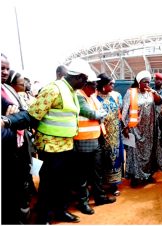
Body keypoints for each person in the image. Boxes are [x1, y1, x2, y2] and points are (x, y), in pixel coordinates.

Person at [28, 58, 95, 224]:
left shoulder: (71, 91)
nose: (86, 83)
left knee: (63, 183)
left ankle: (60, 211)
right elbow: (33, 115)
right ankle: (43, 217)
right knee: (49, 183)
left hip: (67, 144)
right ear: (79, 77)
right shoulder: (53, 89)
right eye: (85, 80)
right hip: (50, 146)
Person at [1, 54, 32, 224]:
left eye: (7, 68)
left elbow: (26, 115)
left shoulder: (7, 90)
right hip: (5, 153)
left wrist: (7, 121)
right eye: (1, 68)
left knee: (17, 191)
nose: (5, 72)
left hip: (16, 151)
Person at [122, 70, 162, 187]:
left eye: (148, 82)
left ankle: (147, 175)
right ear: (138, 82)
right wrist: (125, 127)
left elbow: (160, 102)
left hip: (150, 129)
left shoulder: (151, 93)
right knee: (135, 153)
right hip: (135, 129)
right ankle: (136, 177)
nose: (147, 84)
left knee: (150, 152)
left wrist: (155, 93)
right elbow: (125, 110)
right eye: (144, 82)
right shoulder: (130, 93)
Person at [73, 76, 108, 214]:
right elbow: (91, 113)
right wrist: (99, 114)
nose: (95, 89)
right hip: (82, 140)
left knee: (97, 172)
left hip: (95, 138)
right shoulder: (79, 96)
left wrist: (99, 114)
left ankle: (99, 197)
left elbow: (101, 111)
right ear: (85, 85)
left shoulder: (91, 96)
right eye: (93, 85)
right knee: (83, 175)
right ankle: (83, 203)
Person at [96, 73, 124, 197]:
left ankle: (114, 185)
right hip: (101, 134)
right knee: (102, 159)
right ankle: (101, 185)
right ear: (102, 85)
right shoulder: (94, 98)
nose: (113, 86)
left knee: (116, 157)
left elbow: (120, 111)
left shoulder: (116, 96)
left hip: (115, 133)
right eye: (110, 84)